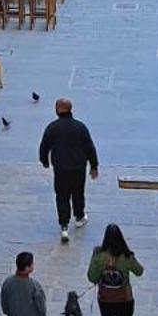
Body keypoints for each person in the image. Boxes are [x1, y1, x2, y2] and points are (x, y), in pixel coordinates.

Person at [38, 98, 99, 241]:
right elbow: (89, 147)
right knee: (78, 192)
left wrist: (45, 161)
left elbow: (44, 146)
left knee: (62, 195)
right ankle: (79, 217)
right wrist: (94, 166)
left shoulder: (52, 127)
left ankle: (64, 225)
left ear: (58, 110)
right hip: (78, 167)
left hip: (60, 168)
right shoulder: (80, 127)